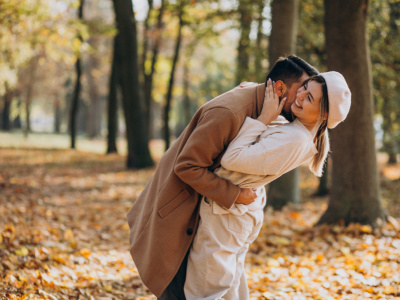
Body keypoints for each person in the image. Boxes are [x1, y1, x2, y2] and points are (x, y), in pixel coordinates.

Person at [126, 55, 318, 299]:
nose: (301, 99)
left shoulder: (261, 103)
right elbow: (187, 166)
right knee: (177, 291)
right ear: (279, 88)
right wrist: (235, 195)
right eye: (301, 91)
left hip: (200, 213)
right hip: (177, 212)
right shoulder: (229, 113)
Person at [184, 72, 351, 300]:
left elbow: (232, 159)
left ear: (324, 115)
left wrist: (262, 118)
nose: (300, 96)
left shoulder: (293, 138)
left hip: (226, 217)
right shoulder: (296, 130)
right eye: (304, 87)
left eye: (310, 98)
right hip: (233, 215)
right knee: (230, 287)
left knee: (204, 291)